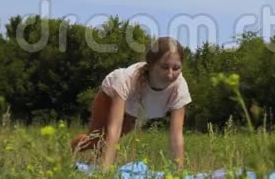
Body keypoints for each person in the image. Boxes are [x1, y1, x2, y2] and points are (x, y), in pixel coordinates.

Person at [70, 37, 192, 172]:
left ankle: (95, 164)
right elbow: (114, 128)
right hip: (110, 96)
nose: (170, 74)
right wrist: (106, 171)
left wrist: (179, 173)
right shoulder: (127, 78)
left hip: (132, 110)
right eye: (164, 67)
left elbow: (176, 135)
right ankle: (73, 147)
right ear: (151, 65)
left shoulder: (179, 87)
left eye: (176, 68)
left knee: (104, 144)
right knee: (97, 139)